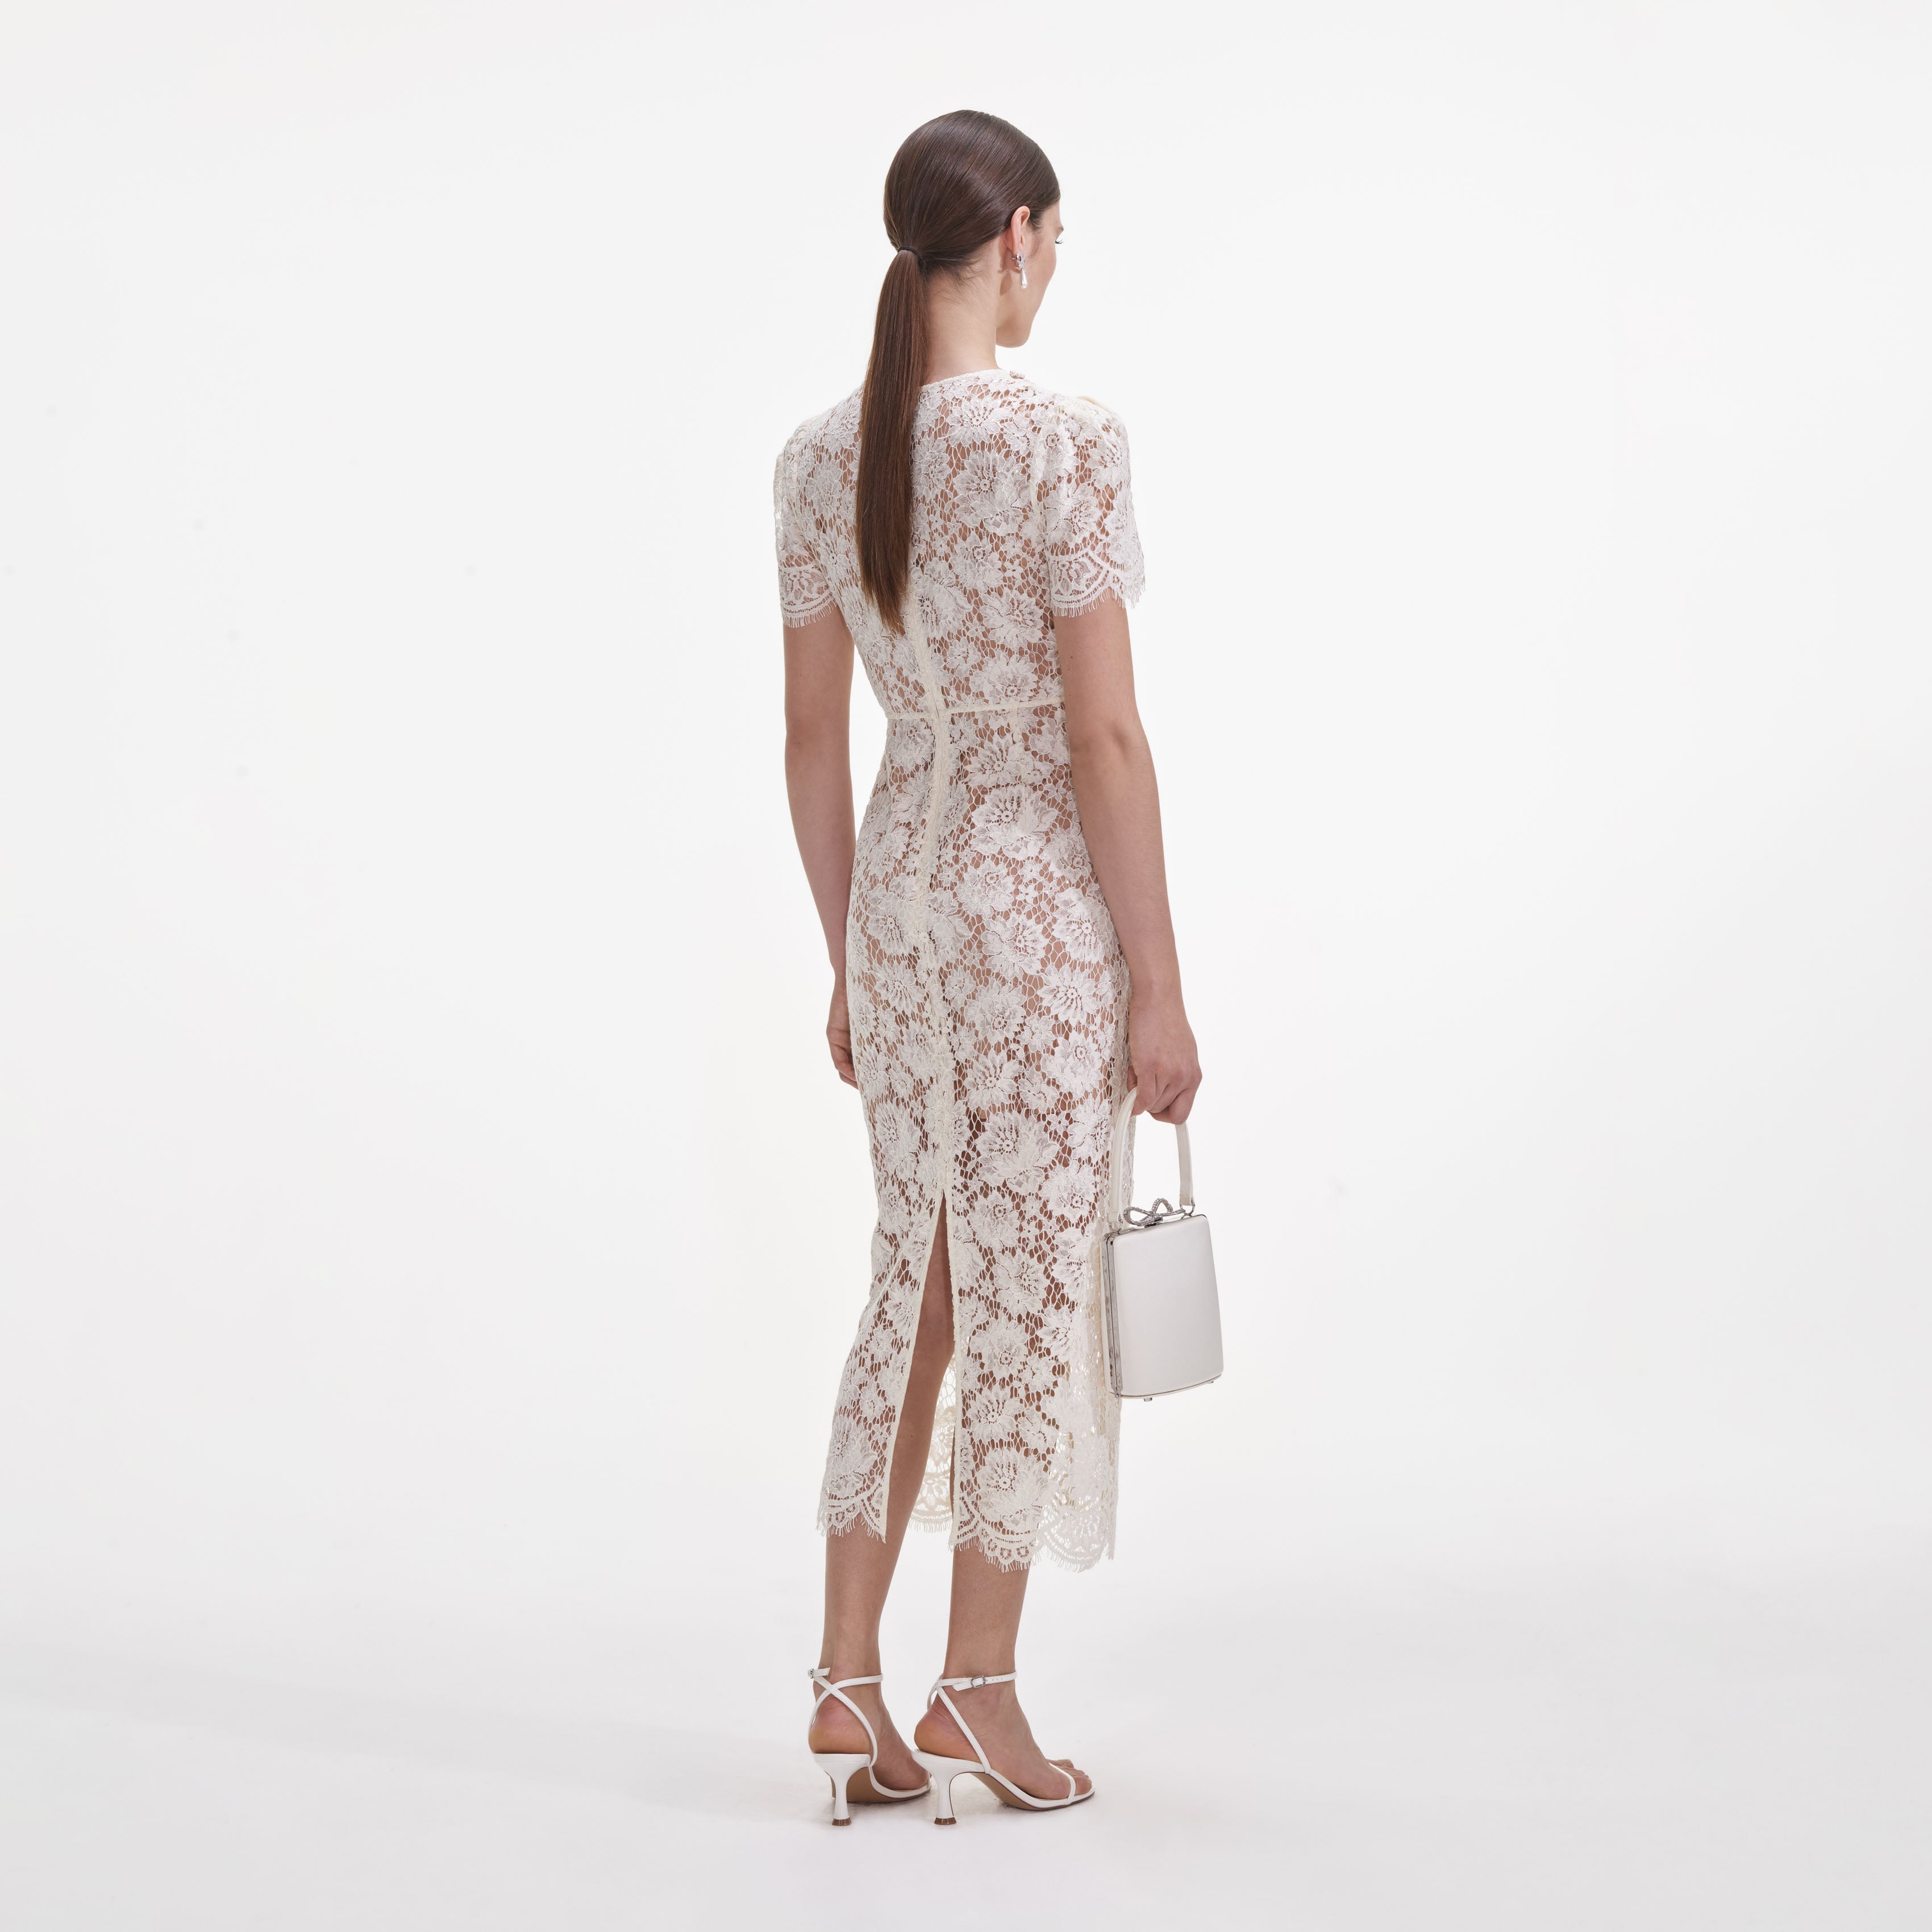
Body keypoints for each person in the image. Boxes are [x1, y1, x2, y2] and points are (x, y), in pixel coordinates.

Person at [776, 108, 1201, 1826]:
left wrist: (847, 955)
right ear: (1015, 236)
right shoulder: (1061, 445)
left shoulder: (818, 459)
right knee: (1021, 1289)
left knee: (917, 1279)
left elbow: (813, 745)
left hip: (898, 905)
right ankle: (979, 1689)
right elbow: (1104, 737)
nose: (1051, 273)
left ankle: (843, 1677)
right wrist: (1159, 982)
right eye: (1055, 243)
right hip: (1030, 920)